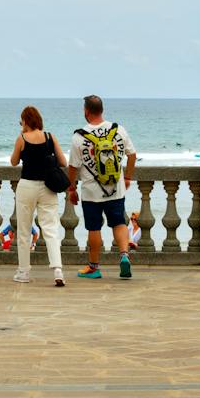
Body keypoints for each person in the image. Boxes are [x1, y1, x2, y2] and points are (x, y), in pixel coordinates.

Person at [68, 94, 136, 280]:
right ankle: (124, 256)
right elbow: (132, 155)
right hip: (116, 188)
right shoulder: (118, 130)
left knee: (94, 228)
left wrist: (72, 188)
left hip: (91, 192)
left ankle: (94, 267)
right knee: (119, 223)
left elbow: (73, 166)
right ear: (102, 110)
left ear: (86, 111)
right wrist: (127, 177)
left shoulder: (79, 136)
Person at [8, 105, 67, 287]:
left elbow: (13, 162)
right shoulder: (50, 137)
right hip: (48, 187)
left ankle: (24, 272)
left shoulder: (22, 138)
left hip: (27, 186)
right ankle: (57, 269)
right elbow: (63, 161)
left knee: (24, 230)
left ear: (25, 121)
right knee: (50, 228)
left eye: (21, 121)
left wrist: (22, 138)